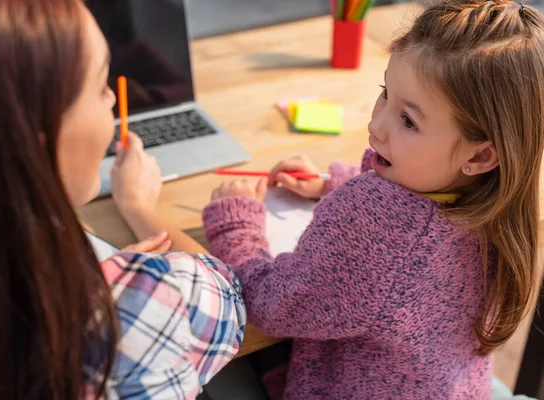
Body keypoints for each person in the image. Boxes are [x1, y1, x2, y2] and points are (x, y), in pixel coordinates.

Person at [202, 0, 543, 398]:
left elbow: (271, 305)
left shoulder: (377, 217)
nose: (375, 126)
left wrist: (237, 226)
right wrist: (336, 180)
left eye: (408, 121)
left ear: (481, 155)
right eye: (385, 93)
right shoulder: (503, 196)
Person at [0, 0, 244, 399]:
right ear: (37, 139)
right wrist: (136, 209)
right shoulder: (123, 310)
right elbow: (229, 295)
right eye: (101, 84)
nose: (112, 99)